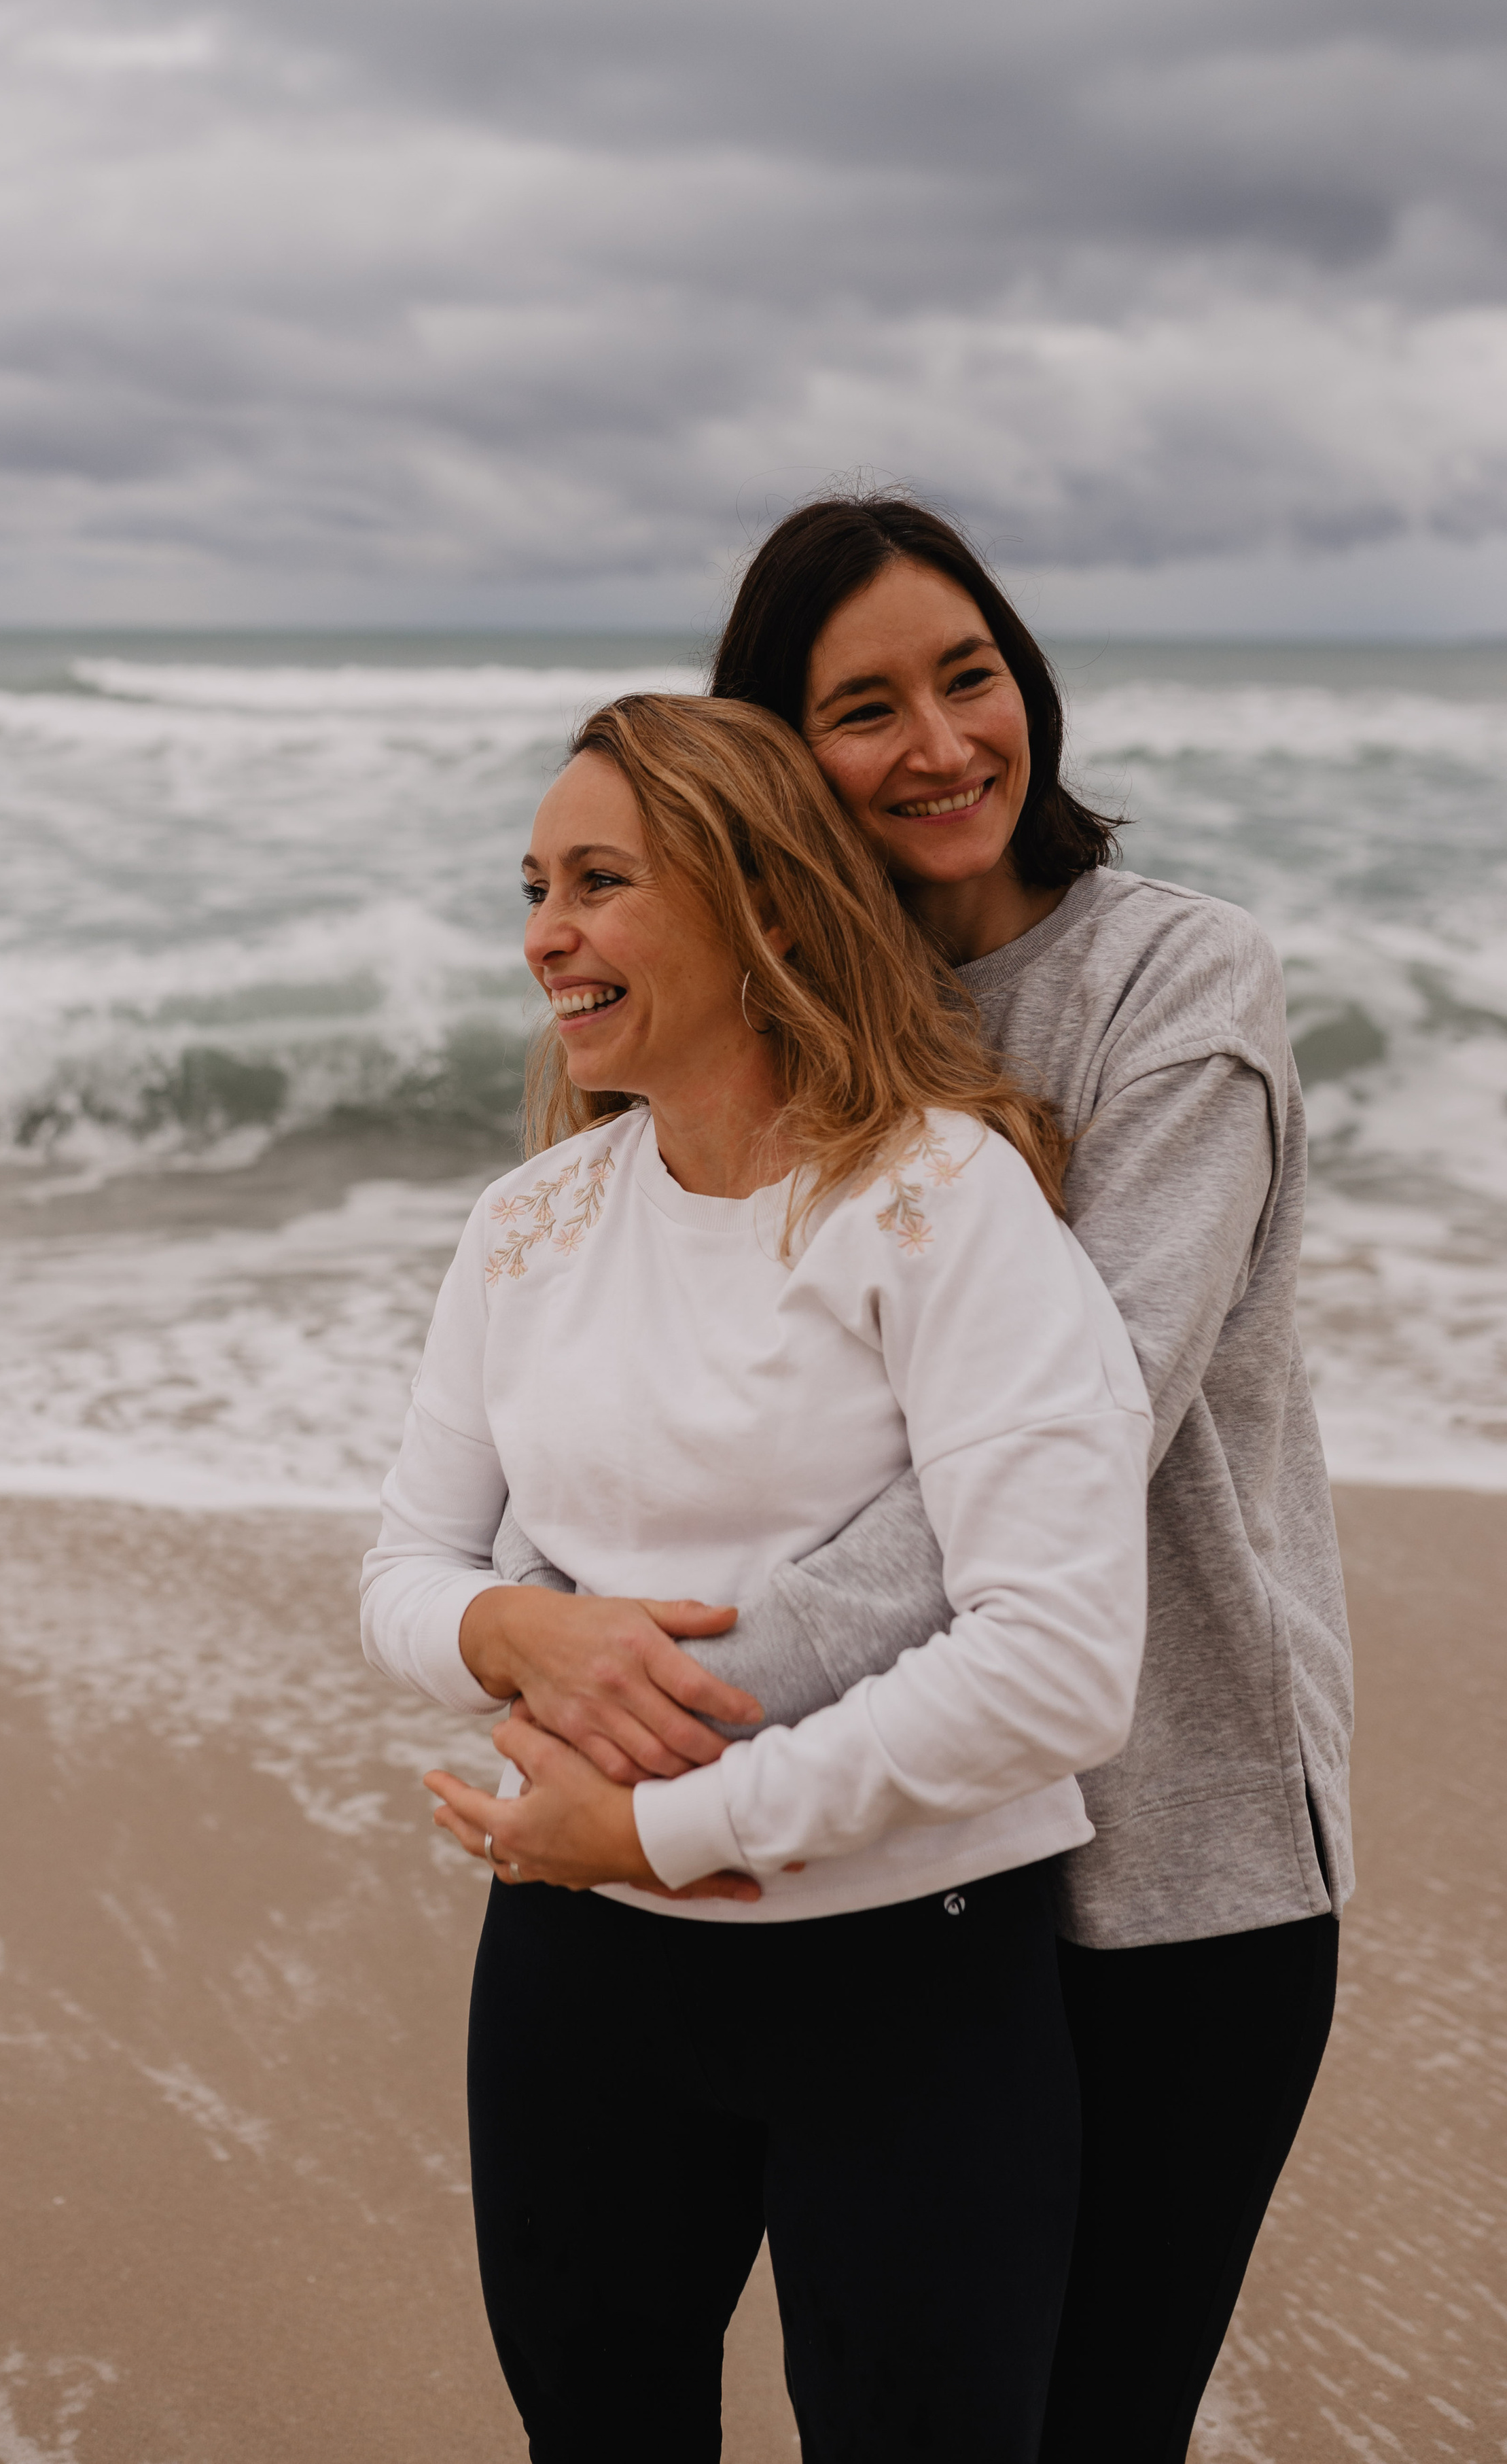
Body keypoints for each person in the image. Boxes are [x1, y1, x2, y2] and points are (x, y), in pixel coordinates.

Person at [360, 692, 1153, 2463]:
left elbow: (1055, 1664)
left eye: (600, 882)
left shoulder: (941, 1203)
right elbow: (405, 1568)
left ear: (771, 909)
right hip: (575, 1976)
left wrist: (660, 1829)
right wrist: (515, 1626)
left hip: (914, 1985)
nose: (544, 931)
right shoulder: (528, 1226)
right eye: (533, 884)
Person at [705, 494, 1354, 2463]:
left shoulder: (1178, 985)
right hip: (898, 1850)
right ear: (777, 753)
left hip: (1180, 1862)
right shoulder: (797, 1026)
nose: (942, 741)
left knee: (1089, 2425)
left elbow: (1079, 1432)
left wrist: (707, 1675)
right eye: (863, 707)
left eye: (967, 674)